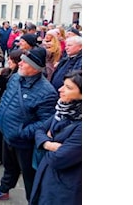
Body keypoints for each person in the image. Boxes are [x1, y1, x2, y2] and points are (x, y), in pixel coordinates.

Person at [0, 47, 58, 201]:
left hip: (24, 143)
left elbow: (46, 122)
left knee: (30, 177)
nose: (20, 64)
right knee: (9, 167)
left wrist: (22, 132)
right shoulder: (16, 77)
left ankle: (33, 201)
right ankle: (4, 190)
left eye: (25, 62)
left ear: (35, 68)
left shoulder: (47, 92)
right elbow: (6, 96)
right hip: (7, 134)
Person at [30, 70, 82, 205]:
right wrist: (49, 144)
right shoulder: (63, 110)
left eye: (68, 88)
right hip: (48, 175)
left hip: (65, 187)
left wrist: (46, 140)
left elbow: (58, 159)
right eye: (63, 85)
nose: (60, 89)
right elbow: (40, 130)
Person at [0, 49, 23, 166]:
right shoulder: (7, 71)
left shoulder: (18, 76)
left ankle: (5, 158)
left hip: (7, 109)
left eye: (11, 60)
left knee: (5, 136)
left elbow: (7, 87)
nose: (9, 61)